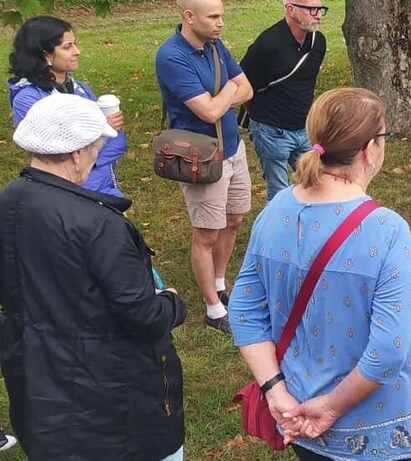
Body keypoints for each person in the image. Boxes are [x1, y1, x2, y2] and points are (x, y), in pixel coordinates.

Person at [230, 88, 411, 461]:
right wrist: (332, 407)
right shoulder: (386, 229)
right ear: (370, 149)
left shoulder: (277, 208)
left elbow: (243, 311)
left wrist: (276, 391)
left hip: (297, 413)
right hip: (376, 426)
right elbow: (388, 350)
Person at [0, 94, 186, 460]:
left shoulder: (9, 200)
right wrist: (171, 301)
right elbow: (143, 316)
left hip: (38, 388)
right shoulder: (99, 224)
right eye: (97, 148)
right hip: (112, 402)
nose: (98, 156)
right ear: (76, 153)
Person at [155, 0, 254, 334]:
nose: (220, 23)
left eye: (222, 15)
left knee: (234, 218)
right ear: (188, 16)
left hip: (233, 149)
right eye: (213, 17)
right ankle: (213, 310)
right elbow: (209, 112)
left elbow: (249, 89)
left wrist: (220, 99)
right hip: (202, 158)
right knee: (207, 232)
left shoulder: (215, 46)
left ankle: (220, 282)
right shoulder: (171, 57)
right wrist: (228, 89)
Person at [8, 15, 126, 197]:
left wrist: (100, 138)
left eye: (75, 44)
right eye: (67, 47)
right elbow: (58, 155)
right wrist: (103, 130)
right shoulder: (28, 99)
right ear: (45, 54)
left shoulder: (81, 89)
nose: (77, 51)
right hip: (71, 195)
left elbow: (116, 143)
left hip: (105, 187)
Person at [240, 0, 327, 201]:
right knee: (279, 191)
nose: (318, 15)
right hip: (271, 130)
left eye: (320, 9)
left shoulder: (318, 43)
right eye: (312, 9)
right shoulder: (267, 45)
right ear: (291, 9)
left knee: (318, 180)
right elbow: (244, 84)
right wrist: (262, 119)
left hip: (303, 129)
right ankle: (278, 230)